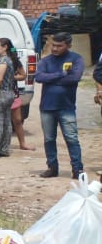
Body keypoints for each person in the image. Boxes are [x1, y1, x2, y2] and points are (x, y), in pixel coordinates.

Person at [33, 31, 86, 178]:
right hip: (47, 106)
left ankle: (77, 169)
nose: (55, 49)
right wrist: (61, 75)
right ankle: (52, 167)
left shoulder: (76, 59)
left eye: (59, 46)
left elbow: (75, 78)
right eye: (53, 45)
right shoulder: (46, 60)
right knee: (49, 139)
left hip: (66, 106)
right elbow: (38, 77)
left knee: (72, 138)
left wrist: (50, 79)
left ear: (68, 45)